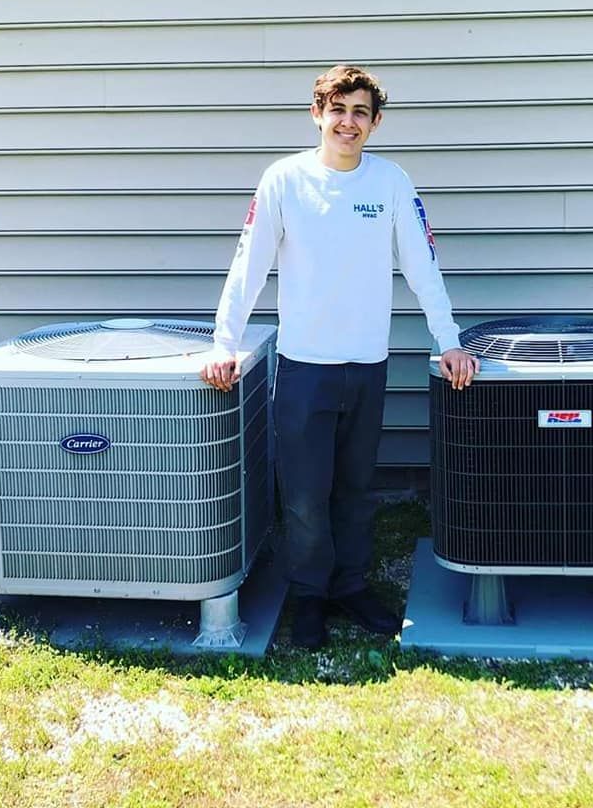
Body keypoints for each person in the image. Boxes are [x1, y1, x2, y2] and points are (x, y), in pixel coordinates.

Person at [201, 64, 479, 649]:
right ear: (317, 114)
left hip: (366, 364)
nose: (347, 122)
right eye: (338, 110)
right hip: (305, 366)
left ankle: (350, 586)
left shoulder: (391, 183)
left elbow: (422, 266)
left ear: (375, 123)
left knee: (355, 487)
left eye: (359, 113)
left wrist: (448, 339)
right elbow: (247, 265)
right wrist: (225, 343)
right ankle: (309, 595)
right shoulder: (284, 180)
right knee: (304, 493)